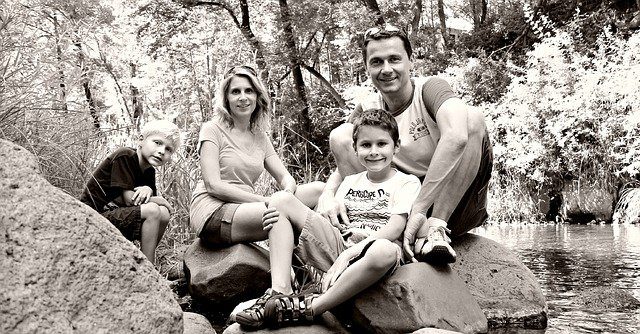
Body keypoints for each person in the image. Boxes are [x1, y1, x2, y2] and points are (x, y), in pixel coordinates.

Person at [316, 25, 493, 264]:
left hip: (454, 203)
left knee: (471, 118)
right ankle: (378, 231)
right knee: (341, 135)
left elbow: (458, 137)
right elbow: (347, 154)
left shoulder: (430, 89)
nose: (386, 69)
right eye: (377, 62)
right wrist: (328, 194)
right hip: (398, 207)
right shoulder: (369, 106)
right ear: (367, 67)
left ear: (411, 61)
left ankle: (435, 231)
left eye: (394, 59)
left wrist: (420, 210)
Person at [234, 108, 421, 329]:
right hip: (340, 245)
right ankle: (280, 294)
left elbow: (396, 227)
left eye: (382, 144)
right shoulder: (350, 182)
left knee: (385, 250)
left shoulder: (407, 182)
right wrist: (285, 225)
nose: (373, 152)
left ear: (396, 146)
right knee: (280, 200)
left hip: (373, 253)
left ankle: (312, 308)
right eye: (365, 145)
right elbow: (329, 223)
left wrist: (351, 254)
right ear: (355, 148)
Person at [190, 65, 322, 248]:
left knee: (319, 190)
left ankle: (314, 259)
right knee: (280, 213)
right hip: (214, 210)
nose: (243, 97)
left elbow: (285, 177)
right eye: (235, 92)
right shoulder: (212, 129)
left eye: (249, 91)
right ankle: (288, 275)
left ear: (257, 96)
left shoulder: (259, 135)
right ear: (226, 98)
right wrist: (267, 201)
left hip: (248, 207)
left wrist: (288, 194)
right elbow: (213, 186)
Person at [80, 119, 180, 264]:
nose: (161, 151)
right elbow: (129, 200)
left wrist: (148, 189)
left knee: (163, 213)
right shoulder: (125, 156)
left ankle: (143, 260)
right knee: (153, 210)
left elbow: (141, 204)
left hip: (115, 214)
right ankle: (149, 269)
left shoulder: (149, 171)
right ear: (141, 140)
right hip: (93, 217)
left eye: (168, 149)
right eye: (157, 143)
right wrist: (159, 199)